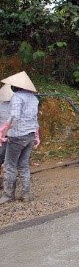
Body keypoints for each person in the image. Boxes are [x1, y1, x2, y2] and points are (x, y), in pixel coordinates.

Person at [0, 72, 40, 204]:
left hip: (17, 136)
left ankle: (8, 195)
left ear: (16, 87)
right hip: (29, 136)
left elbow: (15, 116)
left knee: (10, 166)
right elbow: (35, 119)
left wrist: (4, 128)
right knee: (23, 166)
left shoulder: (17, 97)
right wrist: (36, 135)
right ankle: (26, 195)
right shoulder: (34, 99)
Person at [0, 83, 13, 168]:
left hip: (11, 133)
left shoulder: (16, 104)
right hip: (4, 134)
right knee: (2, 154)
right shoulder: (1, 104)